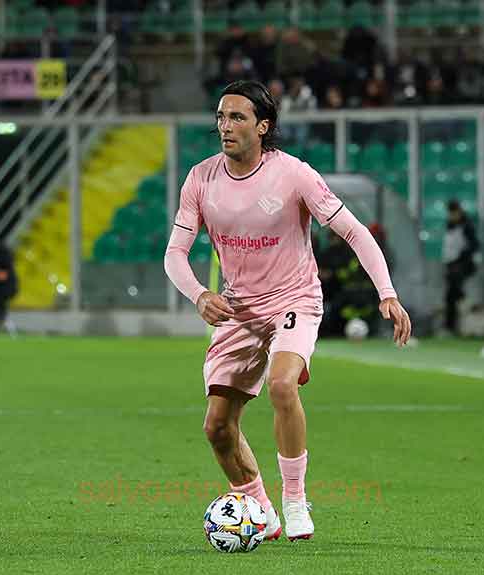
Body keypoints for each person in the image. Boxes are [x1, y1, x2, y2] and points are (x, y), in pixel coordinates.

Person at [163, 80, 410, 542]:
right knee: (218, 428)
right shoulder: (201, 178)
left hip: (294, 299)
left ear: (263, 126)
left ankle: (294, 500)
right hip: (239, 310)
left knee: (281, 384)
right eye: (221, 117)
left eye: (237, 117)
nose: (225, 126)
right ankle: (260, 509)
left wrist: (387, 293)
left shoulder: (294, 175)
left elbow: (354, 231)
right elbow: (175, 253)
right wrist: (199, 294)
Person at [442, 199, 478, 334]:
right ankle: (453, 326)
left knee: (452, 296)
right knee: (452, 297)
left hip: (461, 266)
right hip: (451, 266)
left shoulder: (467, 227)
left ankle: (452, 326)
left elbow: (474, 246)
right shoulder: (450, 226)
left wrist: (461, 260)